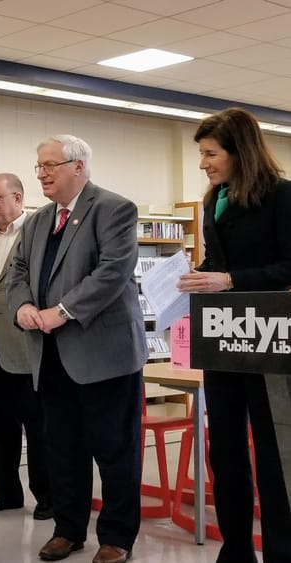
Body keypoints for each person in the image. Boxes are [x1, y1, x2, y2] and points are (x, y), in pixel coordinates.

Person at [7, 135, 147, 563]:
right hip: (50, 356)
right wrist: (25, 306)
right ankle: (68, 528)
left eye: (51, 165)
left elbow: (112, 273)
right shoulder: (36, 221)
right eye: (39, 166)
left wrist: (61, 311)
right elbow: (18, 271)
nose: (42, 173)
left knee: (114, 449)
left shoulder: (114, 209)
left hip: (104, 356)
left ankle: (117, 537)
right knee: (61, 448)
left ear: (78, 167)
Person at [177, 107, 291, 563]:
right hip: (222, 338)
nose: (204, 163)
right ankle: (236, 547)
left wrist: (229, 280)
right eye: (201, 154)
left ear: (240, 152)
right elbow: (218, 265)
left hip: (268, 338)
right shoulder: (212, 200)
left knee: (272, 452)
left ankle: (281, 549)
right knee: (224, 450)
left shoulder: (282, 197)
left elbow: (287, 267)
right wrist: (195, 277)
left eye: (211, 153)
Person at [0, 173, 51, 520]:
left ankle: (47, 496)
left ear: (17, 198)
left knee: (38, 426)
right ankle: (5, 492)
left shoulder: (40, 236)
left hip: (27, 346)